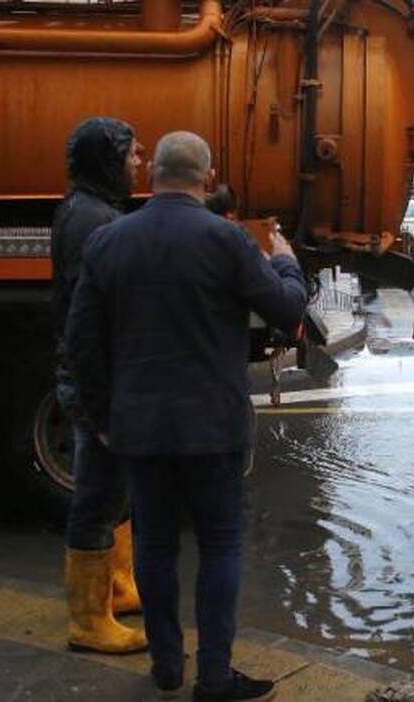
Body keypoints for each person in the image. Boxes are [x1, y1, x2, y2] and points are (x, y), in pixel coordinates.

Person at [66, 131, 307, 701]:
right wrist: (288, 264)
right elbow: (287, 312)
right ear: (207, 175)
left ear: (153, 177)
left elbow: (81, 343)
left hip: (139, 428)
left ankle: (167, 665)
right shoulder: (225, 240)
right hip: (212, 428)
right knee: (220, 546)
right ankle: (215, 676)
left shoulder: (107, 242)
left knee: (153, 544)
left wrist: (102, 416)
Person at [51, 116, 147, 655]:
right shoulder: (95, 222)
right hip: (99, 381)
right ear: (108, 161)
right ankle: (89, 620)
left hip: (98, 377)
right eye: (132, 156)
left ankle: (116, 588)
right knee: (97, 494)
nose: (138, 164)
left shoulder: (88, 208)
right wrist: (104, 404)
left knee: (115, 489)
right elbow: (91, 325)